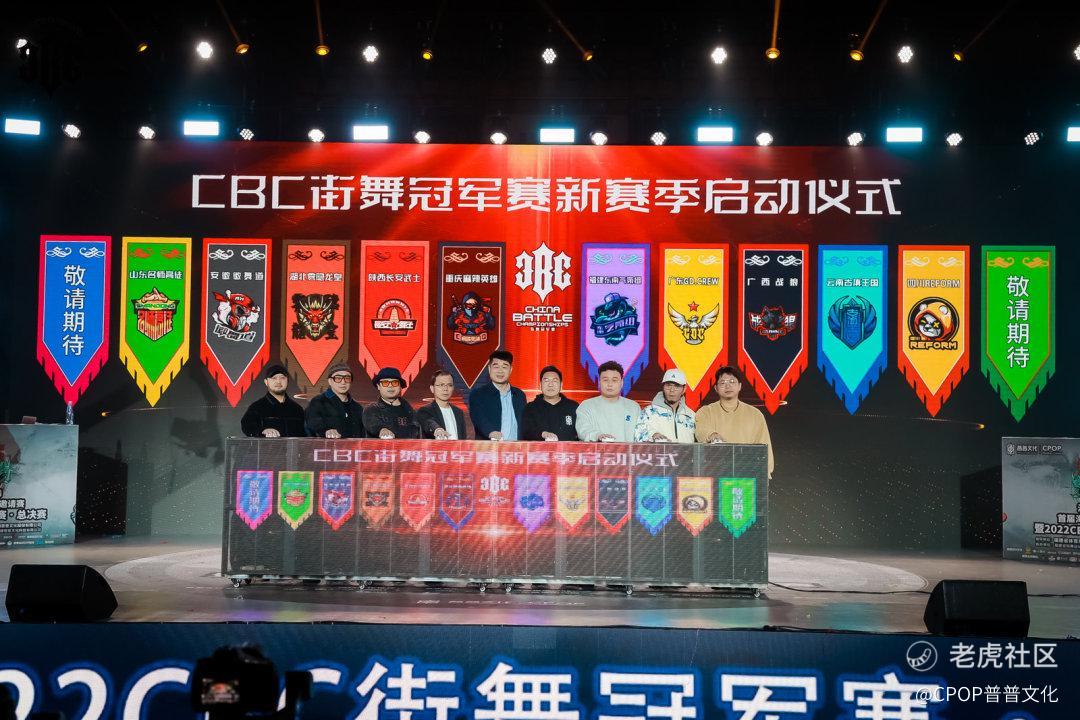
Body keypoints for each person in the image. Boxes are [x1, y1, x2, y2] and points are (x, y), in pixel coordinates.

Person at [694, 366, 774, 476]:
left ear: (740, 386)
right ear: (716, 388)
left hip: (746, 473)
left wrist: (765, 473)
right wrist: (712, 434)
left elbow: (764, 446)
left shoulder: (755, 414)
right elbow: (700, 431)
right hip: (715, 473)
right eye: (722, 383)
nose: (728, 386)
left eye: (732, 381)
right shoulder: (706, 412)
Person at [575, 361, 641, 442]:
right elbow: (582, 430)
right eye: (605, 380)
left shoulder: (633, 407)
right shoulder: (586, 406)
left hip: (628, 450)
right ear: (599, 382)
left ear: (622, 383)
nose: (610, 384)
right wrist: (598, 436)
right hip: (598, 450)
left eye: (614, 380)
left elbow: (641, 434)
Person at [468, 350, 526, 441]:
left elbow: (525, 423)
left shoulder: (519, 395)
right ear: (489, 368)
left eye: (504, 367)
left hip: (517, 448)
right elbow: (479, 418)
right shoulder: (477, 394)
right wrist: (490, 432)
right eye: (496, 366)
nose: (500, 371)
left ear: (511, 369)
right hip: (490, 447)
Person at [240, 363, 307, 437]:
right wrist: (262, 431)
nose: (278, 381)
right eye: (274, 378)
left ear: (287, 381)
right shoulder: (256, 407)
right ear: (266, 382)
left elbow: (306, 434)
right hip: (267, 445)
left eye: (282, 378)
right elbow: (247, 426)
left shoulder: (297, 409)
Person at [634, 368, 696, 443]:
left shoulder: (691, 415)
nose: (672, 390)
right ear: (663, 387)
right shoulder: (648, 412)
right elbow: (638, 435)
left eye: (677, 386)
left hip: (686, 451)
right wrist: (653, 435)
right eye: (668, 385)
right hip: (659, 451)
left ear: (684, 389)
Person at [305, 363, 365, 438]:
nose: (343, 382)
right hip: (326, 445)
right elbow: (312, 424)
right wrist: (326, 431)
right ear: (330, 381)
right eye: (338, 378)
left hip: (353, 445)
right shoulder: (318, 402)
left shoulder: (357, 408)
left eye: (347, 378)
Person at [521, 365, 578, 441]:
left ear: (561, 385)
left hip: (567, 449)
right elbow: (526, 432)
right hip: (539, 449)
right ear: (540, 385)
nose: (550, 385)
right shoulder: (530, 408)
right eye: (546, 381)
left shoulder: (573, 407)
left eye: (555, 381)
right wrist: (542, 434)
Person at [362, 367, 421, 439]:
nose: (390, 386)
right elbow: (373, 424)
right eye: (385, 383)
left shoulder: (411, 412)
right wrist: (382, 430)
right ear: (378, 386)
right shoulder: (371, 409)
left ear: (400, 386)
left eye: (395, 382)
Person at [415, 369, 467, 440]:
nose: (445, 389)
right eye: (441, 385)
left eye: (449, 385)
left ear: (453, 388)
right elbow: (429, 422)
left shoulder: (458, 412)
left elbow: (463, 439)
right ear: (432, 388)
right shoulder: (424, 411)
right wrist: (437, 429)